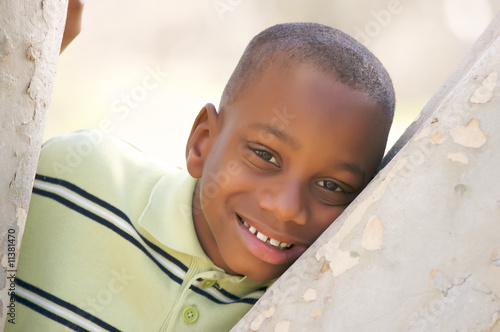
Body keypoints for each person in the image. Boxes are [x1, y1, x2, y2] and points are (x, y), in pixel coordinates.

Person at [7, 21, 394, 331]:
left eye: (332, 186)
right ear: (202, 143)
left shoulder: (312, 307)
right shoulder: (74, 174)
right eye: (265, 155)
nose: (287, 207)